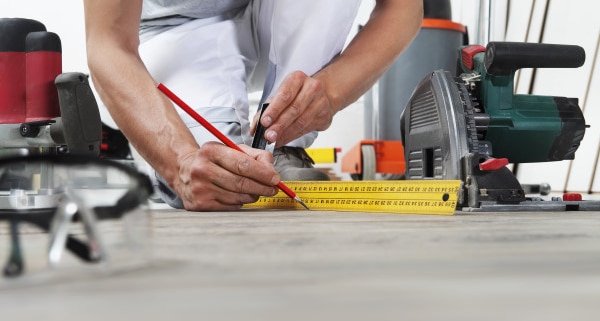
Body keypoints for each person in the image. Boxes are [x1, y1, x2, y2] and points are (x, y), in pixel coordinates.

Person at [82, 0, 422, 211]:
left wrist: (329, 91)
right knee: (217, 173)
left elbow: (403, 7)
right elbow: (108, 44)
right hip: (178, 28)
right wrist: (178, 161)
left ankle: (283, 146)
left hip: (276, 12)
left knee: (239, 170)